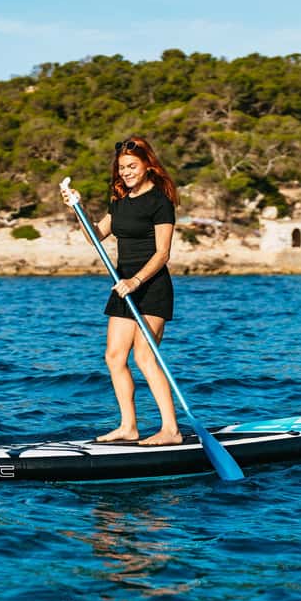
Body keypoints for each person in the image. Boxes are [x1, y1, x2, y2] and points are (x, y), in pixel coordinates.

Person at [60, 136, 183, 446]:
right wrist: (78, 208)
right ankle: (129, 426)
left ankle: (171, 429)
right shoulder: (120, 200)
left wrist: (136, 281)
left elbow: (163, 254)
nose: (126, 172)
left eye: (132, 166)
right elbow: (95, 236)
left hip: (150, 286)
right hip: (123, 285)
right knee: (114, 357)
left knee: (144, 356)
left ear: (147, 165)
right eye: (122, 168)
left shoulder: (160, 201)